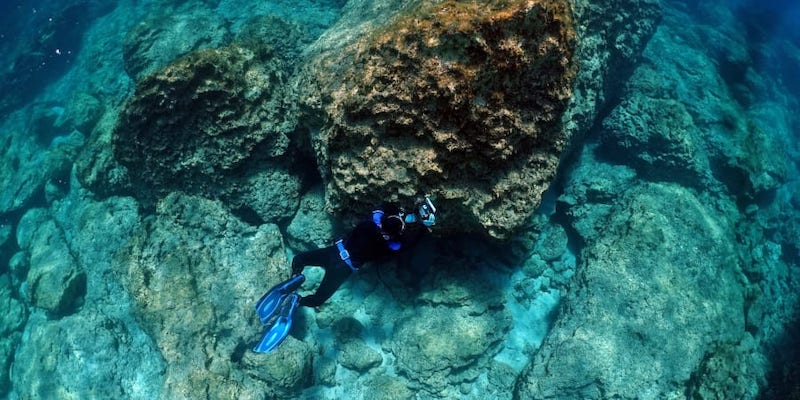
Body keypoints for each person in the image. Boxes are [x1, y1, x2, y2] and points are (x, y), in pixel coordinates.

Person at [252, 196, 437, 353]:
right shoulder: (389, 245)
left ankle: (295, 278)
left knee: (300, 259)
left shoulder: (371, 223)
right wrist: (423, 226)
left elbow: (382, 208)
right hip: (342, 268)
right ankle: (297, 301)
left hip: (333, 252)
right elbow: (405, 244)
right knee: (317, 299)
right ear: (396, 233)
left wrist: (406, 211)